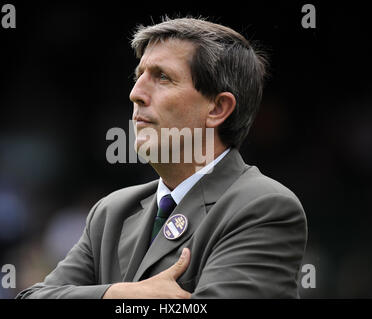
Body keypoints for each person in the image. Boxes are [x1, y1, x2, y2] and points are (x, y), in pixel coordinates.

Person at [16, 17, 307, 299]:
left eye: (162, 77)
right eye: (138, 76)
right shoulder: (110, 213)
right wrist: (118, 296)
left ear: (218, 108)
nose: (135, 94)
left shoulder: (264, 207)